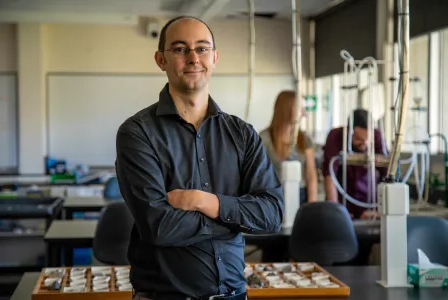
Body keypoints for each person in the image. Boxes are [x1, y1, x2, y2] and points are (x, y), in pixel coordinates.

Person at [115, 15, 284, 300]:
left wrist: (206, 202)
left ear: (214, 58)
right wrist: (233, 218)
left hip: (234, 294)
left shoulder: (242, 134)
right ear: (161, 59)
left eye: (202, 48)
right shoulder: (137, 133)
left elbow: (272, 215)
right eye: (180, 49)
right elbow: (160, 227)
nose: (193, 58)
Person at [322, 108, 387, 219]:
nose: (364, 144)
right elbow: (330, 175)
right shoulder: (336, 136)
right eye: (359, 139)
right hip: (343, 200)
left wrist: (381, 211)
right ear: (348, 131)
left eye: (368, 139)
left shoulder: (377, 136)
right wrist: (336, 212)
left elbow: (388, 175)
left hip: (370, 202)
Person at [259, 90, 318, 204]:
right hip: (273, 196)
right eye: (300, 108)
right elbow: (259, 174)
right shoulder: (265, 138)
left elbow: (311, 174)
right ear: (287, 109)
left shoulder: (304, 139)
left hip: (300, 195)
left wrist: (312, 204)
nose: (304, 113)